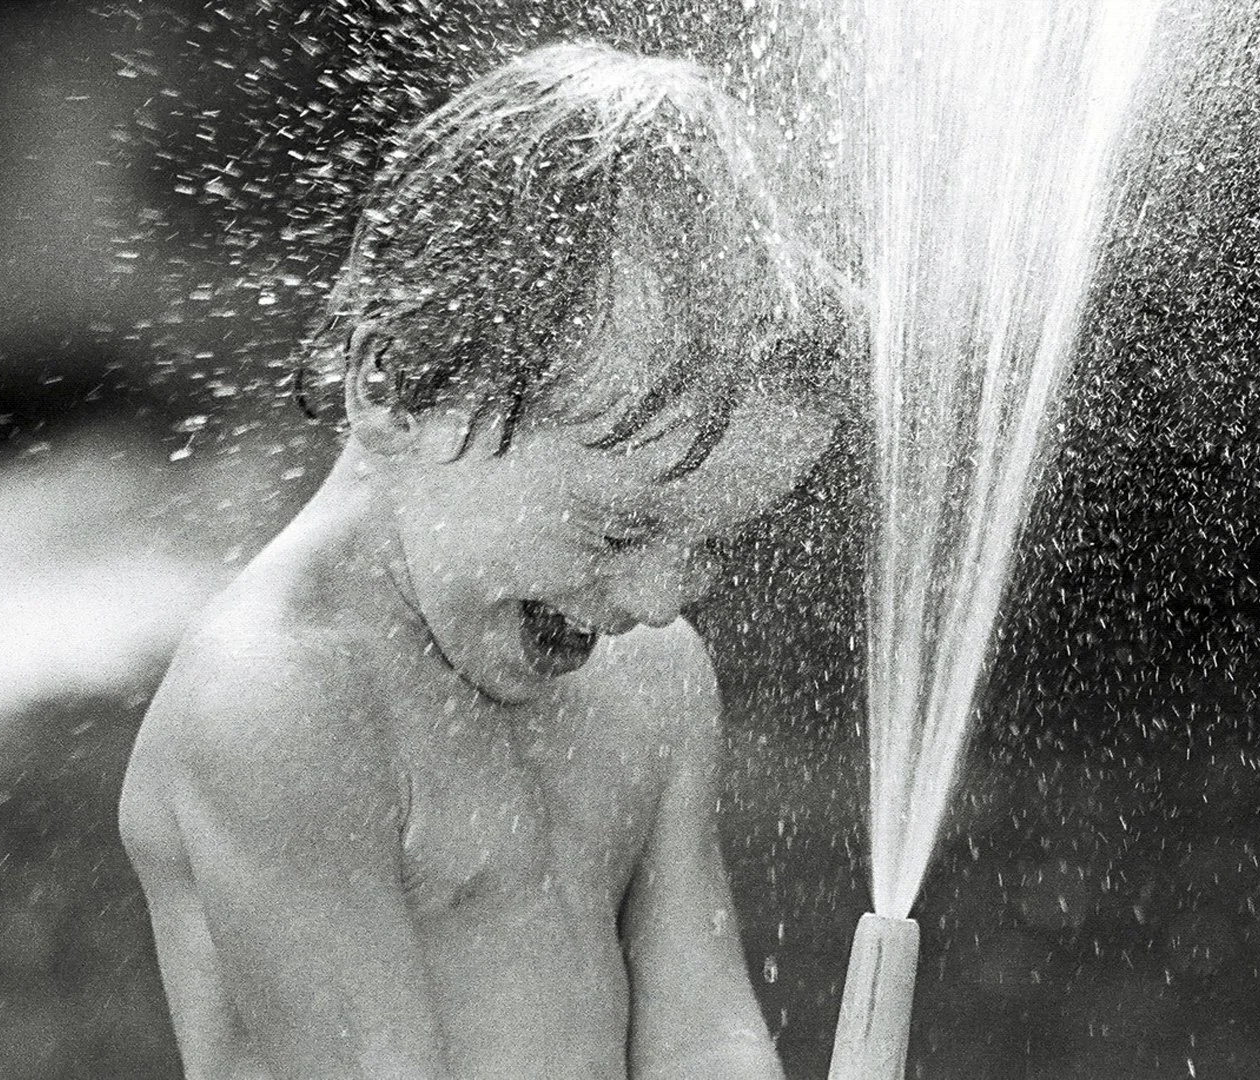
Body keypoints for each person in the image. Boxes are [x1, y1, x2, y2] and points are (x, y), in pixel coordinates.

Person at [119, 40, 853, 1080]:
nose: (659, 597)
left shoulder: (650, 679)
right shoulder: (284, 710)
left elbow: (701, 1024)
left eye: (713, 542)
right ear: (398, 387)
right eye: (618, 530)